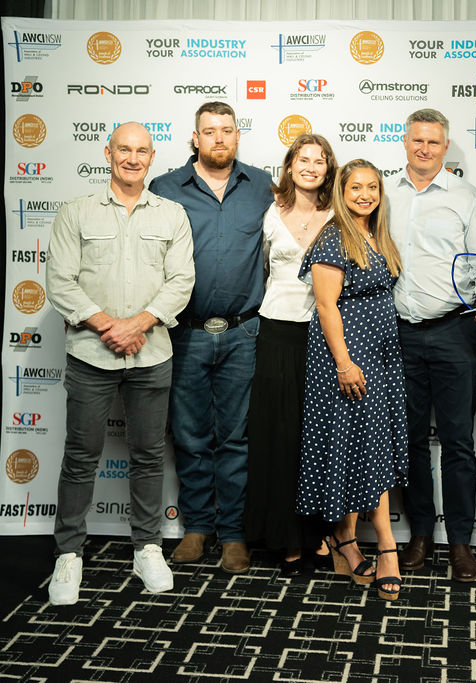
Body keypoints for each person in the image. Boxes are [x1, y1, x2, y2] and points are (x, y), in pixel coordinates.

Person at [45, 122, 195, 604]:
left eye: (142, 151)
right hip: (91, 354)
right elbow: (61, 281)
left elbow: (181, 282)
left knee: (149, 454)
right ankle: (68, 553)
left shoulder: (172, 215)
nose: (133, 158)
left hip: (151, 355)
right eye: (124, 149)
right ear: (107, 152)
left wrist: (139, 324)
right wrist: (111, 325)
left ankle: (147, 546)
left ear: (152, 158)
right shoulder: (76, 212)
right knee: (80, 456)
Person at [149, 102, 273, 574]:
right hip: (185, 333)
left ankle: (235, 534)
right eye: (209, 131)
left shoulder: (263, 185)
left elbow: (315, 207)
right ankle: (198, 526)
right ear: (194, 138)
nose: (219, 138)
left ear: (238, 136)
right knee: (190, 434)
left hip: (244, 331)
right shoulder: (164, 189)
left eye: (227, 130)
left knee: (237, 436)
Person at [386, 108, 476, 583]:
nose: (424, 149)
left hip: (454, 331)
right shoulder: (385, 194)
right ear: (405, 141)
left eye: (434, 143)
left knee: (457, 442)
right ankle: (419, 536)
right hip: (397, 333)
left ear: (445, 146)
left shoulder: (465, 196)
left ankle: (460, 542)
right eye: (417, 140)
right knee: (411, 441)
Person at [295, 159, 408, 601]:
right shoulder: (333, 236)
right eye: (355, 187)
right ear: (340, 192)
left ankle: (344, 540)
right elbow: (326, 305)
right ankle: (386, 547)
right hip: (348, 359)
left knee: (359, 448)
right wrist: (344, 362)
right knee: (365, 449)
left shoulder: (374, 235)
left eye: (372, 186)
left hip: (380, 357)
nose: (364, 194)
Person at [243, 134, 336, 575]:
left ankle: (317, 535)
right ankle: (284, 537)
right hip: (277, 332)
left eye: (320, 160)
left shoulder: (339, 215)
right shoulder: (268, 211)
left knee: (316, 439)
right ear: (290, 164)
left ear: (327, 169)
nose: (311, 167)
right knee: (278, 437)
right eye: (304, 159)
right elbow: (258, 268)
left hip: (323, 336)